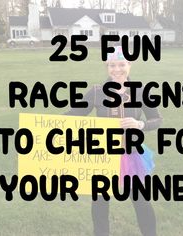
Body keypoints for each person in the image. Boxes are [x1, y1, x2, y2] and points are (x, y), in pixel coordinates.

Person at [66, 46, 162, 236]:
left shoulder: (140, 91)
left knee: (141, 201)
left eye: (121, 64)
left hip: (132, 153)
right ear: (106, 67)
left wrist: (140, 124)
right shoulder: (96, 92)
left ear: (129, 65)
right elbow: (74, 114)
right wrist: (41, 125)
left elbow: (157, 119)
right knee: (100, 203)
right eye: (112, 65)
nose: (117, 69)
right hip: (102, 154)